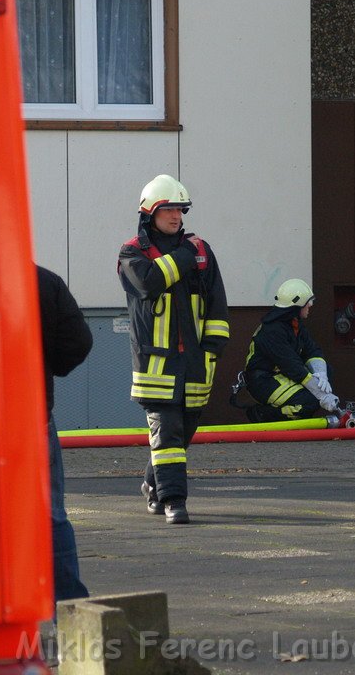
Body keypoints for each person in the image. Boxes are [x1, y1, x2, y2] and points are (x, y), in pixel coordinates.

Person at [117, 174, 229, 524]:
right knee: (166, 433)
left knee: (180, 438)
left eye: (181, 209)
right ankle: (173, 502)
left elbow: (217, 305)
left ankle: (153, 485)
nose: (177, 216)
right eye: (169, 210)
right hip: (156, 365)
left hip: (195, 364)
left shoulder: (202, 252)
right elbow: (150, 283)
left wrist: (212, 352)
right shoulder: (132, 253)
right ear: (150, 212)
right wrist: (184, 253)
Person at [36, 264, 92, 602]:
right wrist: (50, 365)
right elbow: (78, 342)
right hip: (29, 414)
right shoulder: (43, 281)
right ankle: (70, 611)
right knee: (50, 515)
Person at [242, 278, 341, 423]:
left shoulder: (294, 324)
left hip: (283, 374)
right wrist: (322, 395)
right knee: (309, 401)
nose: (311, 305)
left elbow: (312, 350)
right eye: (308, 302)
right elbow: (292, 366)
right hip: (264, 381)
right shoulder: (272, 331)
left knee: (328, 371)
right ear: (296, 305)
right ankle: (262, 414)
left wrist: (322, 374)